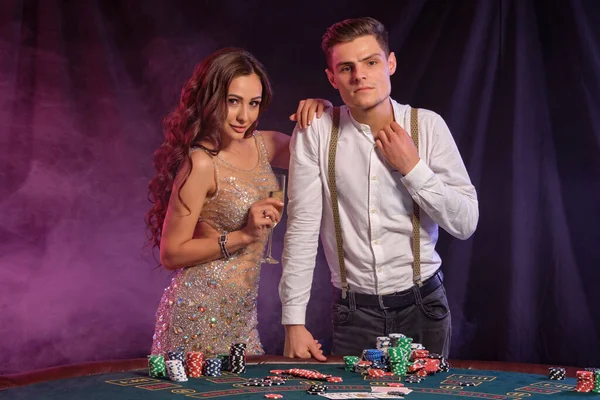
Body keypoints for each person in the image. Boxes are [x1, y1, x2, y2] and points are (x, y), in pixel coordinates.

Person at [279, 17, 479, 361]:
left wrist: (413, 168)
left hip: (425, 308)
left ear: (390, 63)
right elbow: (301, 229)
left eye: (371, 62)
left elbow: (465, 223)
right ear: (332, 78)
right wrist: (293, 322)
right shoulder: (315, 132)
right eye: (347, 68)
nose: (360, 76)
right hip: (353, 312)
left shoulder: (428, 126)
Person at [146, 48, 328, 357]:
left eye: (253, 103)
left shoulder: (265, 145)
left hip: (242, 318)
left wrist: (324, 109)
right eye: (233, 101)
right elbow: (171, 253)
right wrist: (244, 235)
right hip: (197, 313)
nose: (245, 116)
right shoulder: (201, 163)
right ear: (211, 98)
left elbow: (319, 146)